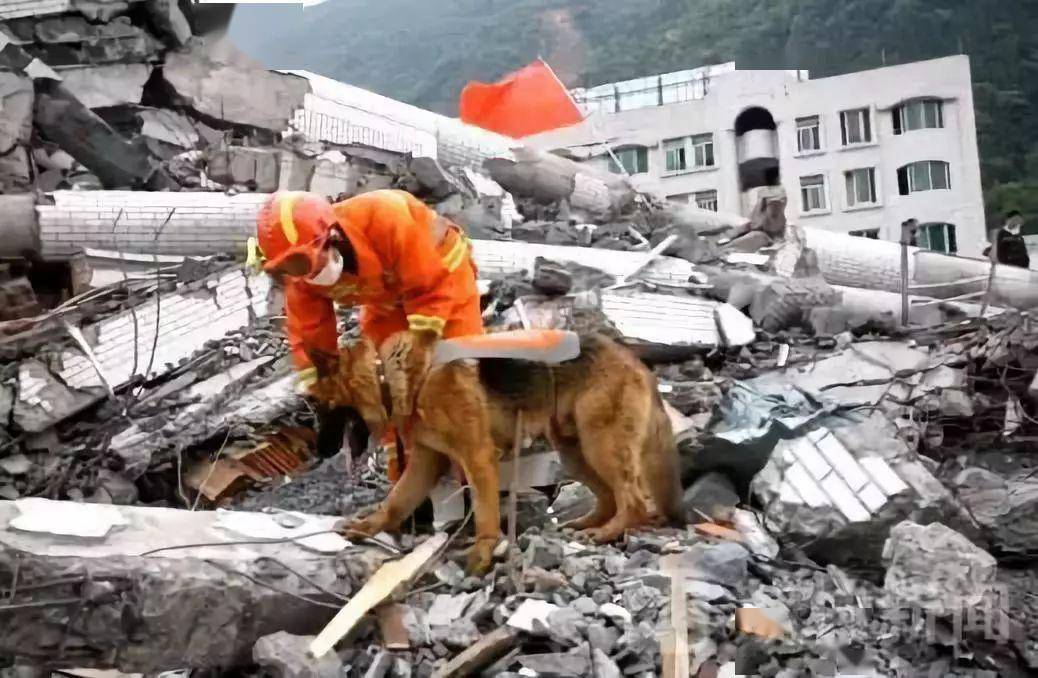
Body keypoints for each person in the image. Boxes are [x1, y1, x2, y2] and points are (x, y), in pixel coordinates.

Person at [252, 189, 484, 479]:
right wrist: (328, 396)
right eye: (286, 269)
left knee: (455, 378)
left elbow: (429, 289)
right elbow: (311, 336)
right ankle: (409, 488)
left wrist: (421, 348)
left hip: (440, 279)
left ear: (330, 237)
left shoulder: (386, 217)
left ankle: (475, 486)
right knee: (386, 392)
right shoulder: (302, 278)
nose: (302, 277)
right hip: (385, 298)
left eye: (301, 264)